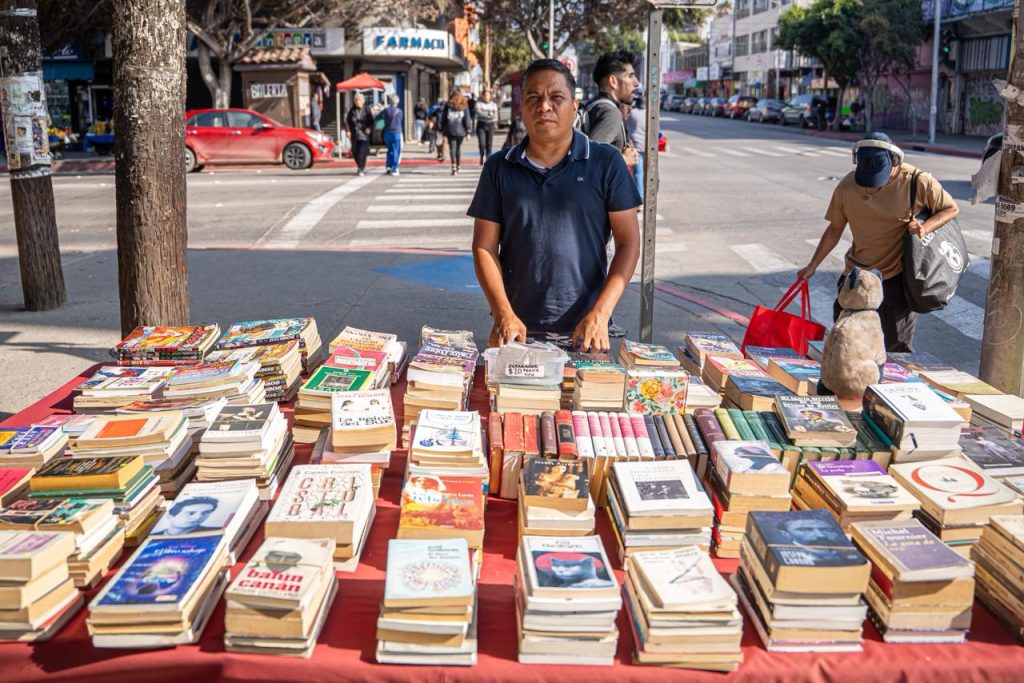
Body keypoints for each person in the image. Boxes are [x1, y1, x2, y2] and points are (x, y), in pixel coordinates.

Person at [468, 58, 642, 353]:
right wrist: (502, 313)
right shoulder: (499, 167)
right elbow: (484, 247)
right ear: (522, 108)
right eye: (533, 98)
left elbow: (629, 243)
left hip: (587, 330)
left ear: (574, 106)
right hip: (516, 330)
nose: (544, 106)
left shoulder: (605, 162)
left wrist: (601, 314)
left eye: (556, 98)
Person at [798, 132, 960, 352]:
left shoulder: (917, 181)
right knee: (846, 345)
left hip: (895, 279)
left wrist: (924, 227)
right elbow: (835, 228)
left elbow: (951, 208)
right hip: (856, 276)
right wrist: (812, 265)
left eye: (879, 177)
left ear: (895, 161)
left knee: (895, 349)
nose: (872, 186)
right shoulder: (847, 186)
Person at [582, 49, 640, 169]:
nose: (636, 82)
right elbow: (589, 160)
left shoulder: (593, 105)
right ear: (613, 81)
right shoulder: (610, 113)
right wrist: (623, 159)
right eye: (630, 76)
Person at [441, 90, 472, 175]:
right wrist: (442, 129)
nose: (457, 99)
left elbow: (467, 119)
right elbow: (444, 118)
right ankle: (455, 166)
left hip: (457, 131)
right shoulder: (450, 106)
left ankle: (456, 165)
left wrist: (468, 131)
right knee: (455, 149)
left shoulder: (463, 106)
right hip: (454, 131)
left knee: (455, 149)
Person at [153, 496, 220, 535]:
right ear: (170, 516)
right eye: (191, 513)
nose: (198, 517)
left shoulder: (215, 532)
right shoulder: (153, 535)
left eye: (205, 513)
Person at [345, 94, 374, 176]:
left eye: (359, 100)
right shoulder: (352, 110)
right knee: (355, 153)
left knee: (362, 153)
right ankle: (360, 166)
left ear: (363, 101)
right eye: (356, 100)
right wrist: (348, 131)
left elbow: (372, 121)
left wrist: (369, 128)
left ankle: (361, 168)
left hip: (364, 135)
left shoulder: (367, 109)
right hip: (354, 135)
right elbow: (347, 121)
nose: (358, 102)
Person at [626, 94, 646, 202]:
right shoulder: (649, 114)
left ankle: (639, 196)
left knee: (638, 172)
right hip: (648, 145)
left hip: (636, 144)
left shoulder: (632, 113)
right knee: (648, 171)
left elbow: (626, 126)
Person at [379, 94, 404, 176]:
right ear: (397, 102)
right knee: (396, 149)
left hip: (387, 132)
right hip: (396, 132)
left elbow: (379, 118)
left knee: (389, 149)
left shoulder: (385, 110)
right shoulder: (399, 111)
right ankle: (394, 168)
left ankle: (388, 166)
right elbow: (400, 121)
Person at [475, 89, 498, 164]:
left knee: (489, 144)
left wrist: (486, 114)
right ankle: (482, 156)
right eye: (485, 95)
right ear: (482, 96)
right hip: (481, 125)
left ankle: (488, 159)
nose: (486, 96)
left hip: (490, 125)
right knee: (482, 143)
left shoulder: (493, 104)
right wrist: (489, 114)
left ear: (490, 96)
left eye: (488, 95)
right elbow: (479, 113)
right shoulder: (478, 104)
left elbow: (495, 115)